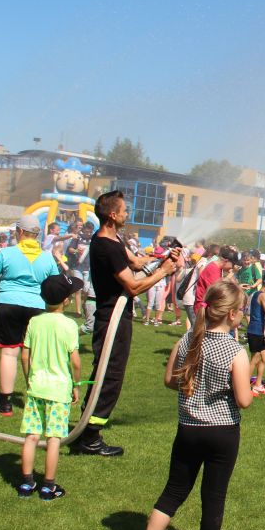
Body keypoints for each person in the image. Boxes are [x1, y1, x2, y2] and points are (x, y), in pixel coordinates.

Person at [129, 281, 252, 530]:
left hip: (188, 429)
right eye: (242, 310)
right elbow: (244, 400)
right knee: (214, 495)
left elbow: (169, 380)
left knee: (174, 490)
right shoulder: (236, 351)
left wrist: (192, 387)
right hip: (222, 432)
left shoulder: (187, 340)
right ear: (233, 314)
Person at [78, 190, 181, 456]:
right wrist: (163, 271)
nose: (128, 213)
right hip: (111, 318)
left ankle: (87, 428)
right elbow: (133, 286)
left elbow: (135, 263)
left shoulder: (113, 240)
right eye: (124, 210)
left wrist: (163, 258)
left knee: (106, 373)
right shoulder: (106, 245)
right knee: (109, 375)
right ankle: (90, 436)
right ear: (113, 215)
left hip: (118, 316)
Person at [0, 215, 61, 416]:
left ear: (19, 232)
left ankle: (5, 403)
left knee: (9, 353)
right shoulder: (47, 257)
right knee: (34, 354)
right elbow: (55, 284)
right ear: (37, 234)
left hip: (8, 303)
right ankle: (37, 399)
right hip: (36, 306)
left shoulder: (6, 253)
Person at [17, 273, 83, 500]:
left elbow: (24, 355)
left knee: (31, 436)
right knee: (53, 439)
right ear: (66, 300)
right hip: (59, 390)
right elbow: (75, 361)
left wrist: (29, 378)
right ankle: (48, 487)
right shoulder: (69, 325)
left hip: (36, 387)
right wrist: (76, 385)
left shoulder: (34, 322)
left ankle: (26, 484)